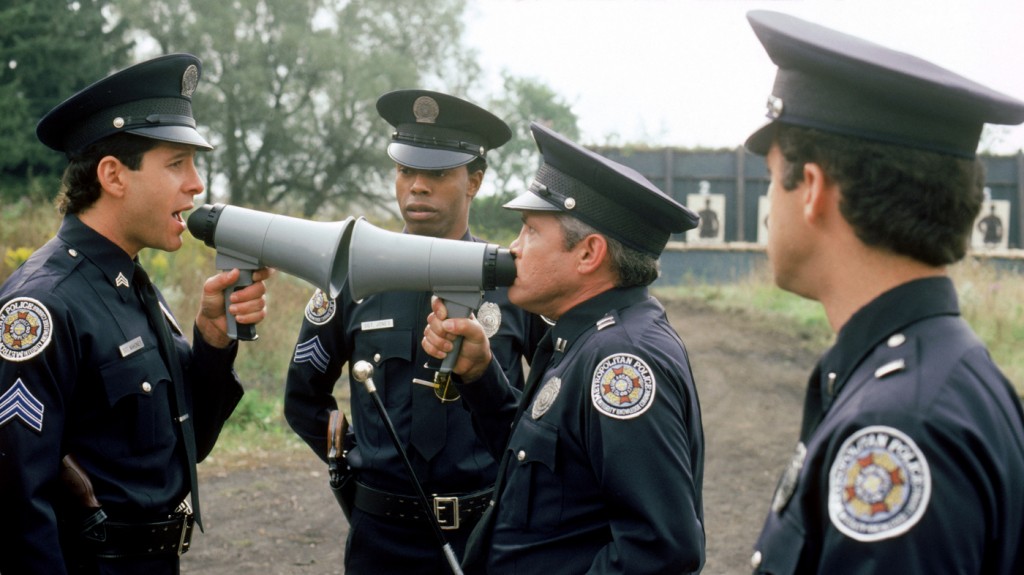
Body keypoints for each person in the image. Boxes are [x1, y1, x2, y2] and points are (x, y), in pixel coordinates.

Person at [741, 11, 1024, 574]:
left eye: (773, 178)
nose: (769, 205)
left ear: (813, 189)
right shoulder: (945, 373)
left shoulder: (899, 428)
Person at [0, 54, 270, 574]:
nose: (196, 185)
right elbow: (15, 506)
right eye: (176, 164)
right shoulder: (42, 307)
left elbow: (188, 445)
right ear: (112, 176)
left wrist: (213, 339)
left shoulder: (131, 283)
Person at [422, 122, 706, 574]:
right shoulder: (582, 337)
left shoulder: (621, 361)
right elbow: (537, 475)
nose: (513, 248)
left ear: (589, 254)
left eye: (531, 231)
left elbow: (660, 551)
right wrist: (480, 376)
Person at [283, 89, 544, 573]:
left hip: (488, 531)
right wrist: (361, 460)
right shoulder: (351, 277)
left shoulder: (514, 282)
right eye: (406, 171)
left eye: (439, 174)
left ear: (475, 181)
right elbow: (303, 397)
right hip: (382, 538)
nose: (417, 187)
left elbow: (556, 395)